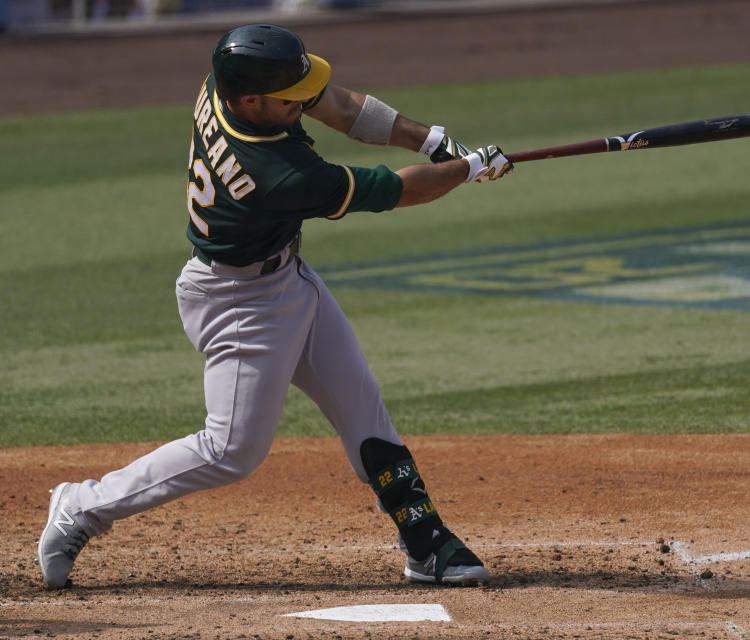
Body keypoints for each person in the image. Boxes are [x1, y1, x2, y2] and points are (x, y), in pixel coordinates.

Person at [37, 23, 512, 590]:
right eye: (290, 99)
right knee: (230, 450)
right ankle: (80, 506)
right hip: (240, 305)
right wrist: (470, 169)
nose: (303, 102)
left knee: (361, 407)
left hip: (284, 276)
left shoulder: (228, 82)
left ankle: (427, 544)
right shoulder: (279, 173)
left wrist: (433, 141)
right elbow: (399, 191)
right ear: (253, 101)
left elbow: (337, 104)